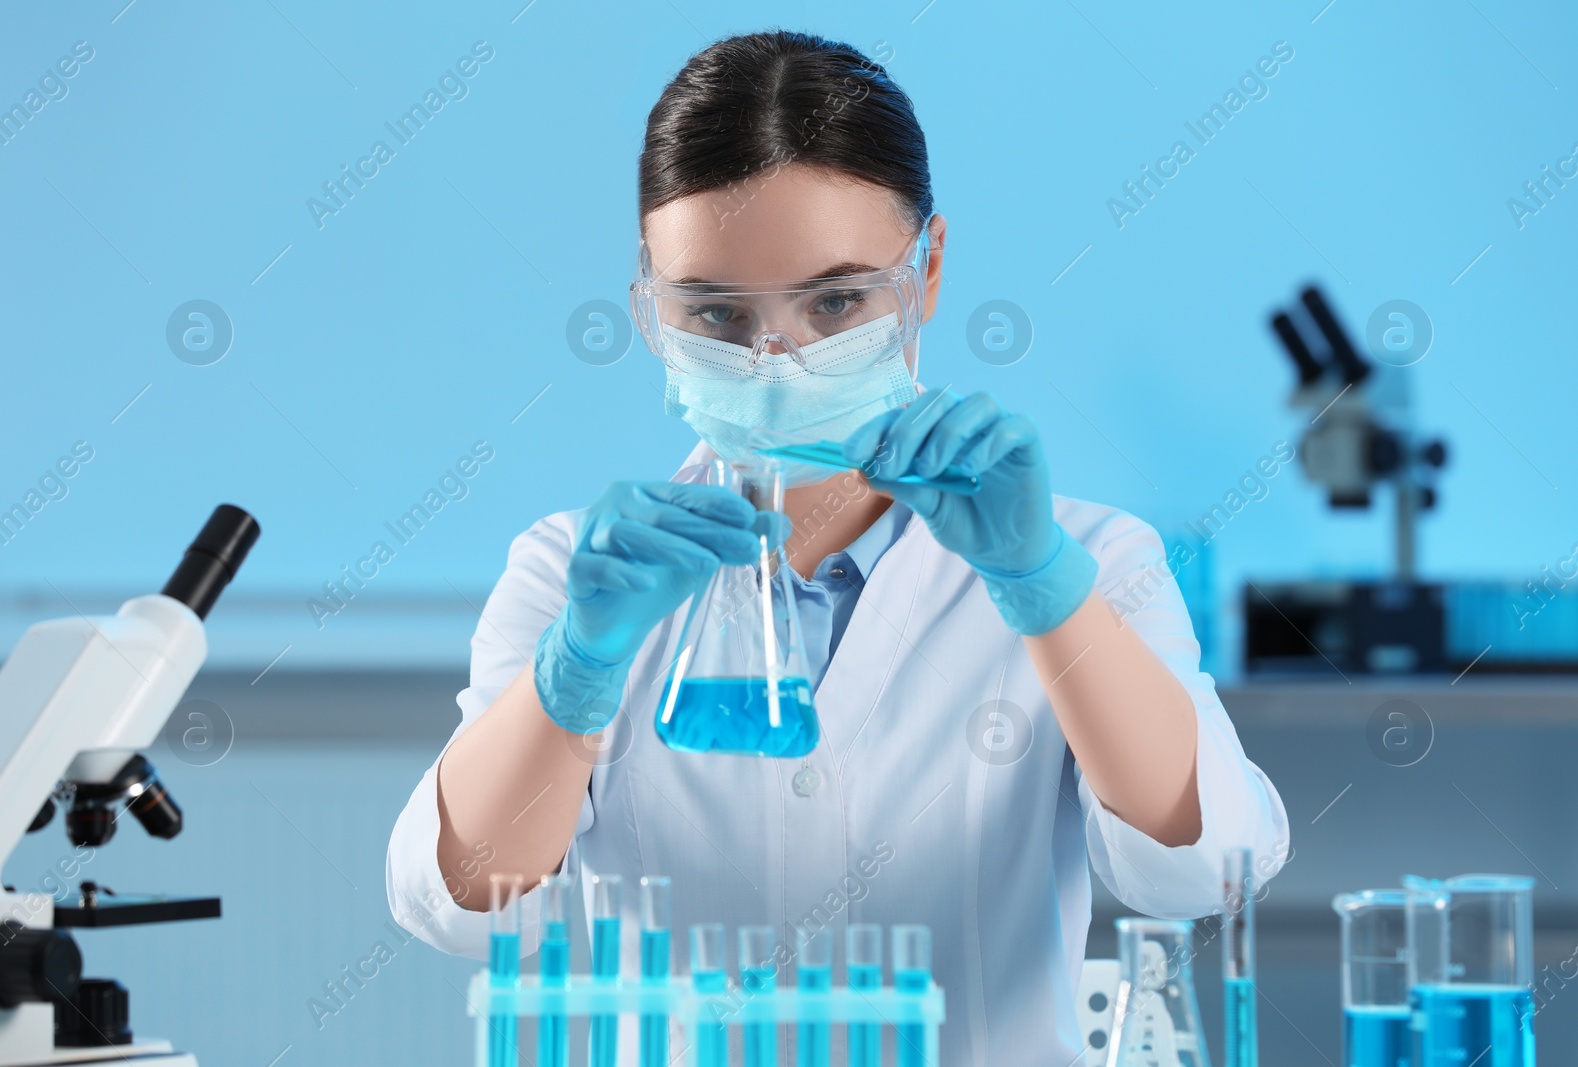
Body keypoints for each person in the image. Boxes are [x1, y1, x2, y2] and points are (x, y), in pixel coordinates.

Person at [387, 29, 1289, 1063]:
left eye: (837, 300)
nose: (779, 357)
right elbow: (469, 901)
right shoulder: (572, 575)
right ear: (650, 305)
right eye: (716, 312)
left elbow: (1203, 866)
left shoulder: (1092, 557)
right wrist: (578, 664)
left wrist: (1039, 586)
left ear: (928, 271)